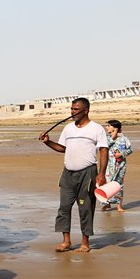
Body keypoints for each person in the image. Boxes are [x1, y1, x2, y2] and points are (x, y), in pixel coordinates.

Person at [39, 97, 108, 252]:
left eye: (76, 109)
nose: (72, 112)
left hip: (88, 173)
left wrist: (101, 174)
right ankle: (66, 242)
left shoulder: (96, 129)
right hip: (67, 174)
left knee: (85, 208)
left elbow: (104, 150)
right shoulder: (68, 128)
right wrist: (48, 142)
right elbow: (63, 148)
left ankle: (85, 243)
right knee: (64, 207)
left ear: (86, 110)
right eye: (71, 109)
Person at [102, 119, 133, 212]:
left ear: (114, 128)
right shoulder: (106, 138)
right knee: (108, 184)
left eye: (108, 126)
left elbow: (130, 149)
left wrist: (122, 154)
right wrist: (113, 137)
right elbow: (105, 147)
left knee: (119, 185)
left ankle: (119, 205)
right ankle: (107, 204)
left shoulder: (124, 139)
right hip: (109, 166)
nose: (106, 127)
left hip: (121, 165)